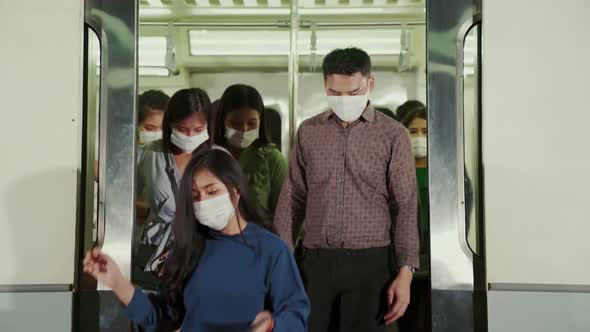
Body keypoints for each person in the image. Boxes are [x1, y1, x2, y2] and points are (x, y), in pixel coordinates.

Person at [275, 47, 420, 332]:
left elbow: (405, 205)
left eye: (353, 93)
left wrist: (406, 271)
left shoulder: (393, 135)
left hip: (371, 264)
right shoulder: (308, 132)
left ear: (370, 84)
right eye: (335, 93)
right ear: (325, 86)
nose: (344, 101)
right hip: (315, 263)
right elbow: (293, 197)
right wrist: (281, 263)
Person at [83, 149, 310, 331]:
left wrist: (271, 325)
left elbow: (296, 316)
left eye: (212, 191)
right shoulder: (188, 248)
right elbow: (161, 318)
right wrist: (117, 282)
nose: (203, 201)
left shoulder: (271, 250)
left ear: (236, 190)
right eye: (195, 196)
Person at [135, 88, 214, 283]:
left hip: (203, 252)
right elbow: (123, 193)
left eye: (198, 130)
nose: (189, 136)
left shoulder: (216, 159)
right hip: (152, 251)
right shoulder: (149, 155)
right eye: (182, 129)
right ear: (169, 123)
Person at [213, 84, 287, 217]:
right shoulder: (209, 157)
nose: (244, 129)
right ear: (222, 121)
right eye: (235, 123)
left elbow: (286, 215)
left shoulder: (272, 160)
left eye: (251, 123)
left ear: (261, 122)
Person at [398, 102, 431, 332]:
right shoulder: (396, 170)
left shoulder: (445, 171)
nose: (419, 137)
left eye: (425, 131)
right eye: (413, 131)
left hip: (433, 260)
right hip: (402, 262)